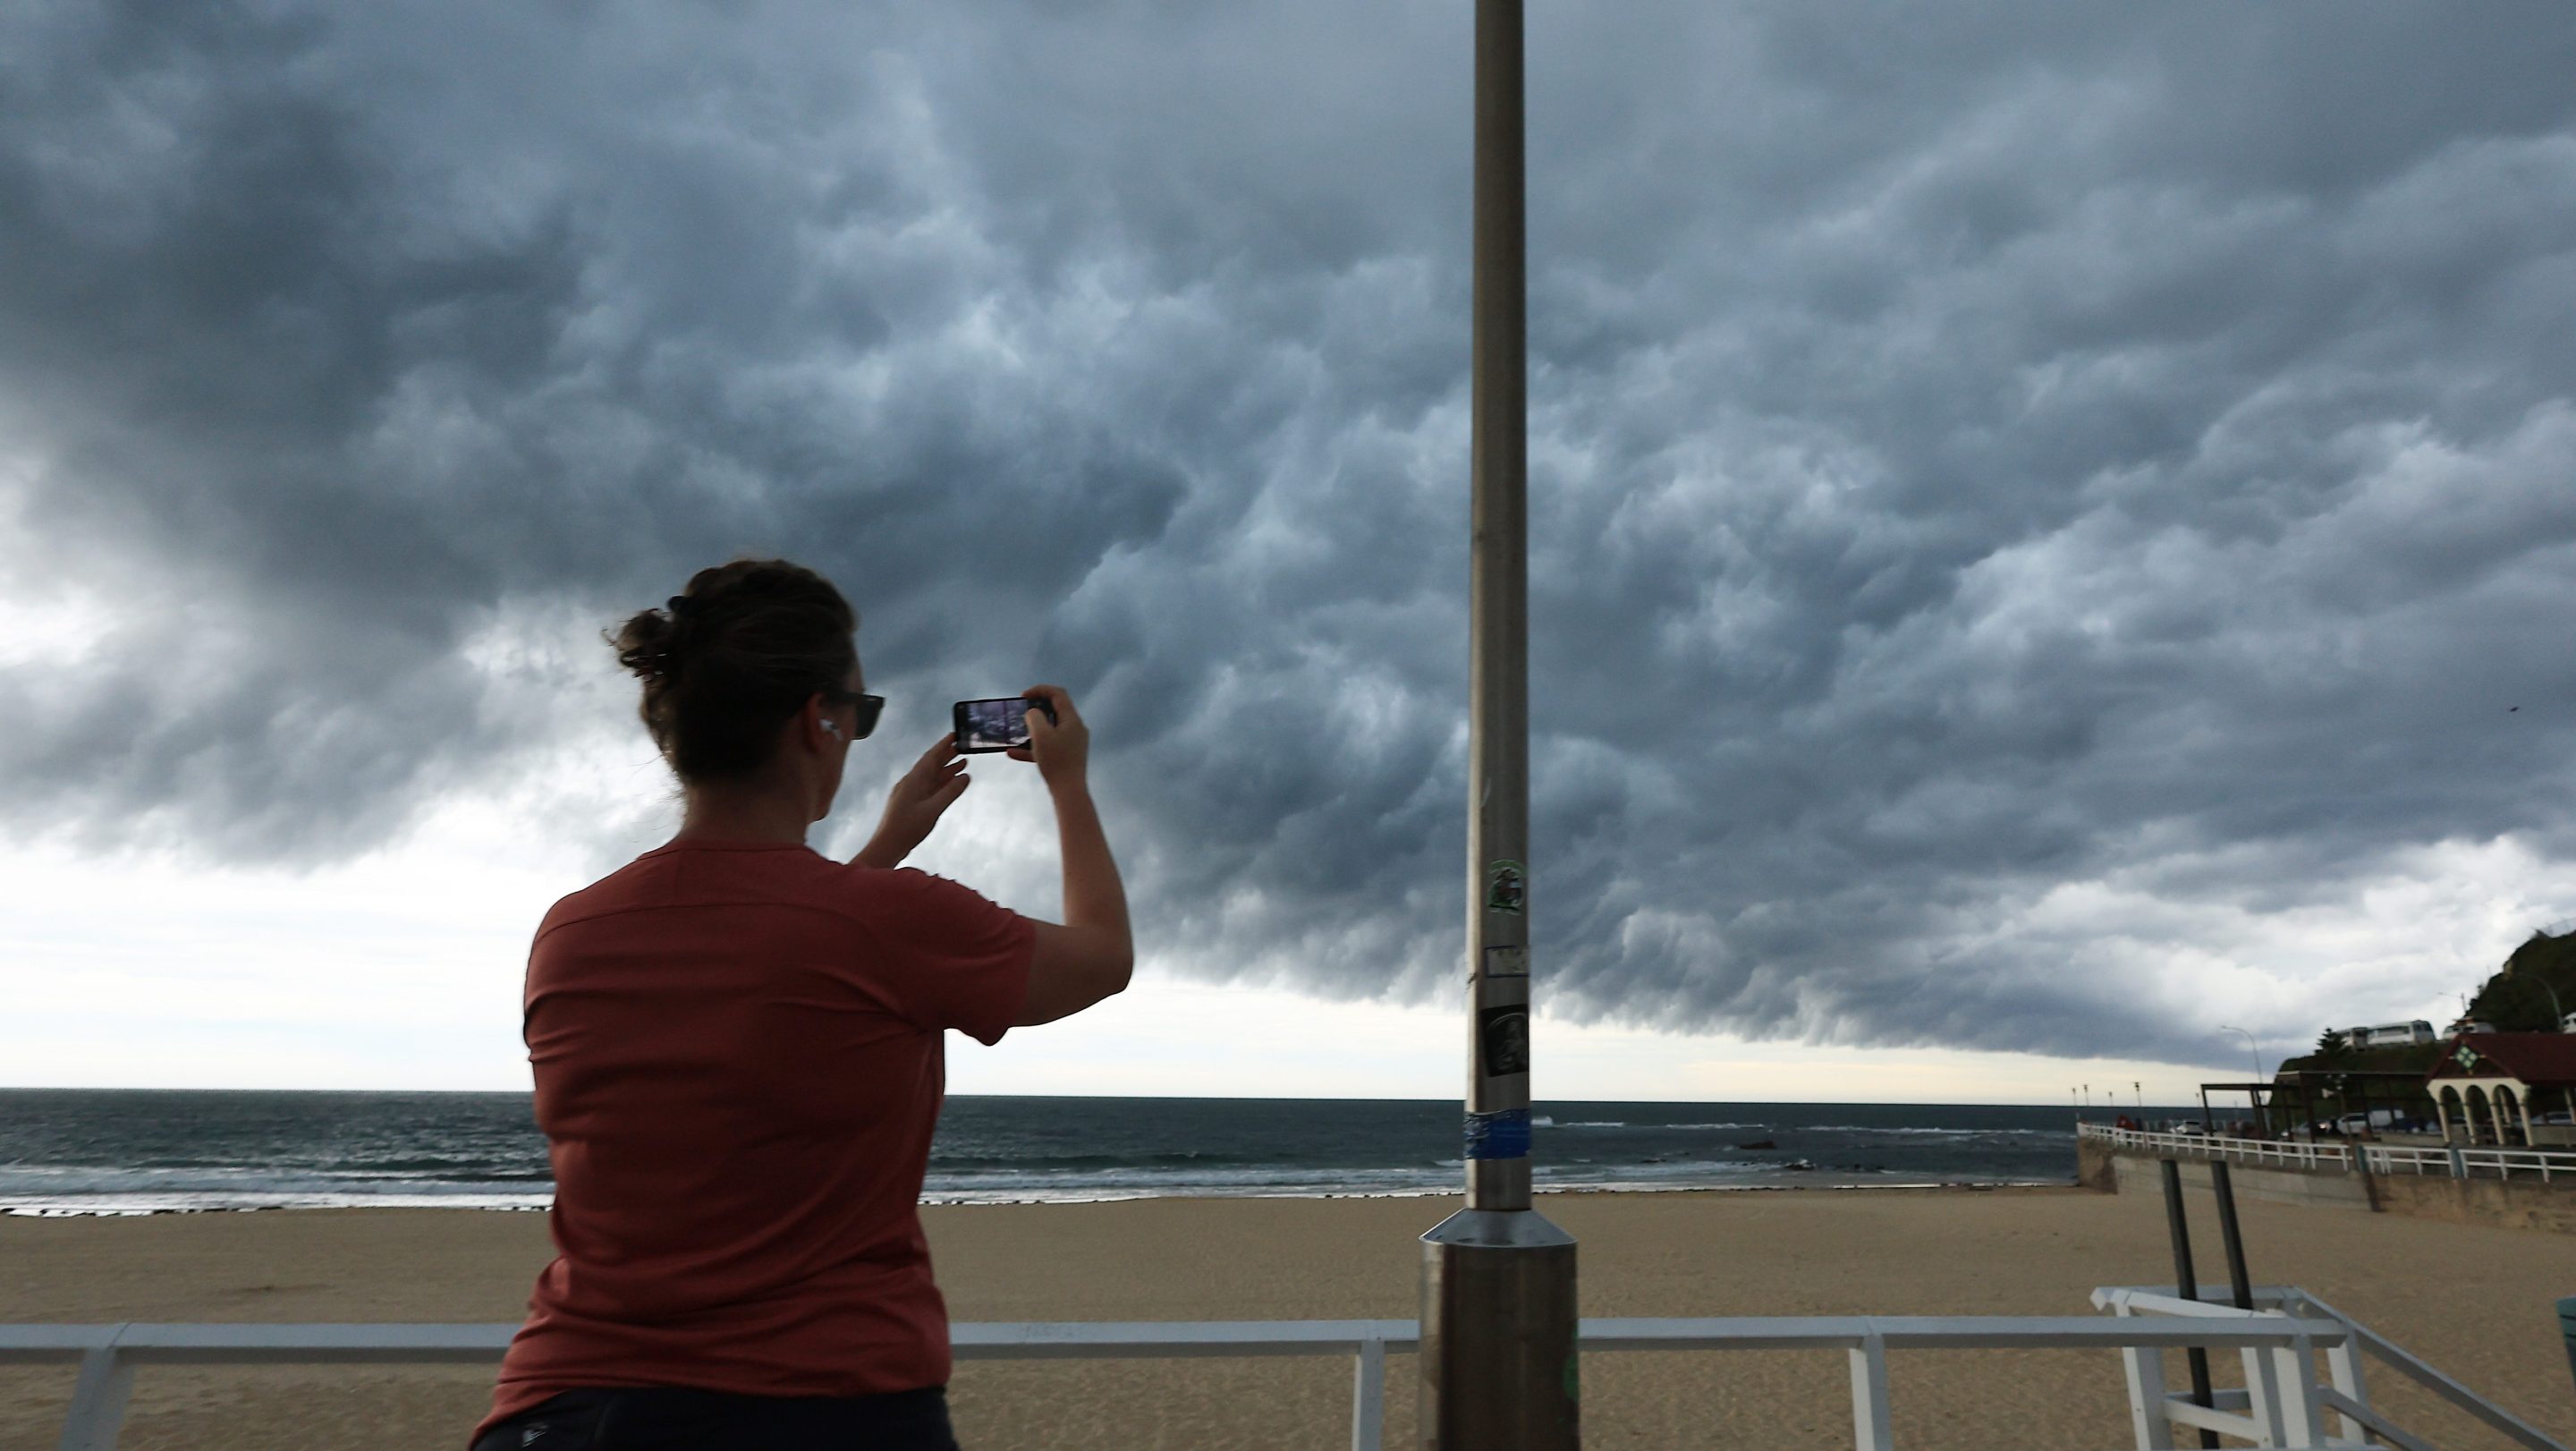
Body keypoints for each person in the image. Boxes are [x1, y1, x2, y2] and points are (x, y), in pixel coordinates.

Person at [470, 558, 1132, 1451]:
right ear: (816, 721)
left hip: (565, 1409)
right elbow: (1101, 958)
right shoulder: (888, 925)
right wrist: (1068, 782)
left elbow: (770, 961)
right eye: (860, 713)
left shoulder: (572, 932)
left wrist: (888, 841)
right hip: (824, 1405)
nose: (855, 735)